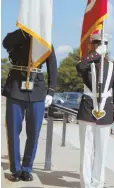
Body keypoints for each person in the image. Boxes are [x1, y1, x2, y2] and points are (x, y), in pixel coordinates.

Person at [2, 29, 57, 182]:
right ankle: (15, 169)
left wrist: (51, 91)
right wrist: (25, 32)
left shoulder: (44, 39)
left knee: (34, 132)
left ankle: (27, 168)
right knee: (13, 131)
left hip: (37, 89)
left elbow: (52, 65)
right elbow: (5, 43)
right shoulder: (17, 35)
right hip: (15, 87)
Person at [76, 31, 114, 188]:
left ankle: (98, 183)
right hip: (88, 109)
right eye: (97, 44)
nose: (101, 46)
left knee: (101, 151)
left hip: (106, 111)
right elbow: (79, 66)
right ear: (93, 45)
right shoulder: (87, 64)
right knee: (86, 151)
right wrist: (95, 54)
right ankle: (85, 183)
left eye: (103, 45)